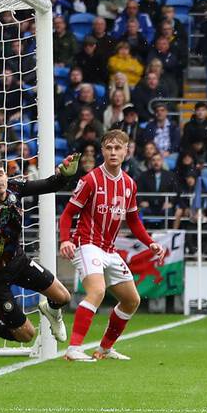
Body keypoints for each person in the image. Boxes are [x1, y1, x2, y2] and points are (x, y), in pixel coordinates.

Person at [58, 130, 165, 361]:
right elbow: (67, 214)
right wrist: (65, 239)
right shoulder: (90, 180)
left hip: (109, 249)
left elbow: (134, 220)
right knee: (96, 291)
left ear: (127, 151)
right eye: (109, 148)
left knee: (132, 300)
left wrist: (151, 243)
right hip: (87, 244)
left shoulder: (129, 184)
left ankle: (104, 348)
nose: (113, 152)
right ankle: (74, 349)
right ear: (102, 151)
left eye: (118, 148)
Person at [0, 142, 80, 347]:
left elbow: (50, 184)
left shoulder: (15, 188)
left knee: (63, 297)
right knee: (26, 335)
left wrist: (66, 175)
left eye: (0, 174)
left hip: (18, 262)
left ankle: (52, 312)